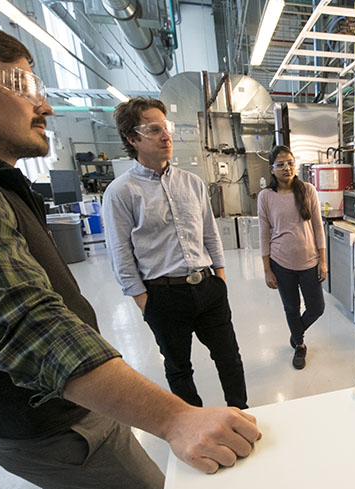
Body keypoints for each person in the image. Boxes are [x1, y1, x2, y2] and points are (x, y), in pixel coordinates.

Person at [0, 11, 260, 489]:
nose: (44, 105)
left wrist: (217, 274)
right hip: (56, 421)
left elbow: (208, 232)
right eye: (21, 83)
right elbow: (31, 327)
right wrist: (176, 417)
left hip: (61, 407)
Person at [103, 97, 249, 409]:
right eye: (153, 130)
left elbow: (210, 233)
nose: (165, 136)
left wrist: (220, 279)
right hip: (163, 295)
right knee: (179, 368)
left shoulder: (192, 183)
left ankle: (240, 412)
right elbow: (120, 253)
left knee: (229, 358)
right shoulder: (121, 192)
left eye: (165, 127)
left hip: (208, 289)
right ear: (132, 139)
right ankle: (193, 422)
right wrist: (145, 302)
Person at [257, 145, 327, 369]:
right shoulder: (266, 196)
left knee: (317, 308)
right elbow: (264, 233)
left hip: (309, 262)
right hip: (281, 263)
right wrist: (267, 269)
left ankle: (296, 331)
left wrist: (323, 260)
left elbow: (318, 227)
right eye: (281, 164)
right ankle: (299, 345)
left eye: (290, 163)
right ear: (272, 169)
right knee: (291, 308)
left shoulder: (308, 190)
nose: (287, 168)